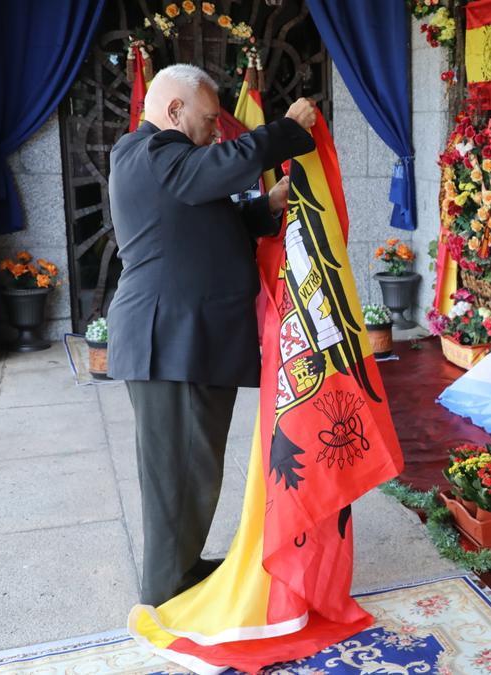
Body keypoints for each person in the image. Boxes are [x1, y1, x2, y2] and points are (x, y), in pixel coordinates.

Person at [107, 63, 318, 606]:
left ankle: (180, 566)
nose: (216, 132)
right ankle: (167, 589)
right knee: (178, 470)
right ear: (173, 111)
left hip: (186, 339)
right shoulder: (148, 151)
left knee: (192, 465)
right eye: (208, 120)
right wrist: (287, 130)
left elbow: (200, 214)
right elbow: (215, 170)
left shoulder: (165, 164)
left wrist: (262, 208)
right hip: (171, 340)